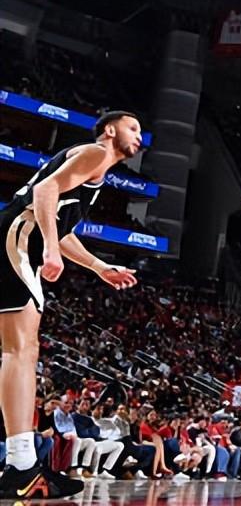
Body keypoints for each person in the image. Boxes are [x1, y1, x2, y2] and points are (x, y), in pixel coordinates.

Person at [0, 111, 142, 498]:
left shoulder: (92, 169)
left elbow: (60, 227)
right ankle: (21, 467)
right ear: (110, 130)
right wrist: (48, 248)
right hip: (18, 241)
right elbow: (44, 193)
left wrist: (98, 267)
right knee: (20, 349)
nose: (139, 136)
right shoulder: (96, 152)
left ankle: (21, 465)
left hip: (17, 237)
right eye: (132, 128)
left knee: (18, 350)